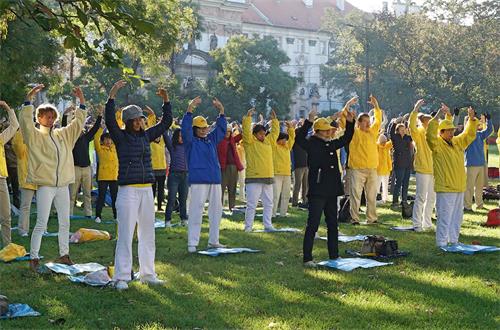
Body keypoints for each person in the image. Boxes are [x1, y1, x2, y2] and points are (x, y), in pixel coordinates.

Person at [105, 80, 172, 290]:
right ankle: (122, 277)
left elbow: (166, 123)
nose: (140, 123)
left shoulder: (147, 135)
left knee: (147, 233)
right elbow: (109, 121)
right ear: (128, 121)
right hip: (127, 191)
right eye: (136, 120)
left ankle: (148, 274)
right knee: (125, 233)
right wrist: (112, 95)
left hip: (146, 190)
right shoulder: (120, 137)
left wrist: (166, 101)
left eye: (141, 119)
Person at [20, 85, 86, 270]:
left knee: (65, 222)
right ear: (39, 118)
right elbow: (25, 123)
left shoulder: (63, 135)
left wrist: (81, 101)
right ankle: (33, 258)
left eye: (53, 116)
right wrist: (28, 100)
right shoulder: (34, 136)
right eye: (47, 116)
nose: (51, 119)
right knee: (41, 222)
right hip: (46, 186)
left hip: (63, 186)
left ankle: (64, 255)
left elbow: (77, 124)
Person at [296, 99, 355, 267]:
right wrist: (309, 120)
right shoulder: (311, 143)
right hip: (318, 190)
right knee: (313, 225)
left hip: (332, 190)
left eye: (330, 130)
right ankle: (307, 258)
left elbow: (347, 138)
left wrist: (350, 122)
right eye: (327, 130)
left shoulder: (330, 144)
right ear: (319, 131)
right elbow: (299, 137)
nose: (331, 132)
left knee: (333, 224)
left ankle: (334, 255)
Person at [426, 104, 478, 247]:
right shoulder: (436, 144)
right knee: (444, 217)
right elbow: (429, 135)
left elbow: (469, 134)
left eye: (452, 130)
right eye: (448, 131)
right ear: (441, 132)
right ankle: (441, 243)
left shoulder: (457, 142)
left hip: (459, 186)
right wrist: (436, 117)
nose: (451, 133)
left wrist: (472, 120)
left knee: (457, 217)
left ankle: (454, 240)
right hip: (445, 187)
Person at [181, 96, 227, 252]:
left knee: (216, 210)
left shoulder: (211, 139)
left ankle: (214, 240)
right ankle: (192, 243)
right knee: (196, 210)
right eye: (200, 128)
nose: (204, 130)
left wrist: (221, 112)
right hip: (198, 180)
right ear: (194, 129)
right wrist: (189, 110)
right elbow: (185, 129)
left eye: (205, 127)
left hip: (215, 179)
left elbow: (221, 130)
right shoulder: (190, 141)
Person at [242, 108, 280, 232]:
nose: (263, 136)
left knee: (269, 203)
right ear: (254, 134)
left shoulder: (268, 142)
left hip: (268, 177)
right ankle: (248, 227)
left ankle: (268, 225)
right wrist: (248, 117)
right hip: (254, 177)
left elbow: (275, 133)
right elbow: (246, 132)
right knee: (251, 204)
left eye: (264, 134)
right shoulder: (249, 142)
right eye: (260, 134)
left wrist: (275, 120)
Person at [348, 95, 382, 225]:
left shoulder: (372, 132)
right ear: (359, 123)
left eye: (369, 121)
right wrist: (349, 104)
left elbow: (378, 121)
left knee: (371, 196)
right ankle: (355, 218)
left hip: (372, 168)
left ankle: (372, 218)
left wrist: (376, 106)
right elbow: (346, 120)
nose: (369, 123)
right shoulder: (355, 133)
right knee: (355, 195)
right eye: (365, 121)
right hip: (357, 169)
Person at [64, 107, 102, 217]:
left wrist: (99, 116)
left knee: (87, 193)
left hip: (87, 168)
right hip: (75, 168)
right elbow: (65, 126)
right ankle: (69, 213)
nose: (80, 130)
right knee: (72, 193)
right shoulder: (71, 138)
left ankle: (88, 213)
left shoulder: (86, 137)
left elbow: (95, 129)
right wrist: (66, 115)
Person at [409, 99, 436, 231]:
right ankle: (417, 224)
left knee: (431, 198)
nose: (431, 122)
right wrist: (415, 109)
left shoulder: (434, 133)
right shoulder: (419, 132)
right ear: (424, 122)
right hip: (422, 169)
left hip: (434, 170)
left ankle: (427, 223)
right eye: (429, 121)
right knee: (420, 197)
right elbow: (411, 126)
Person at [464, 113, 493, 211]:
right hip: (471, 164)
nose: (477, 124)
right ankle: (467, 206)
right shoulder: (466, 135)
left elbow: (489, 130)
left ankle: (479, 204)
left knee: (479, 187)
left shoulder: (480, 134)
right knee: (469, 187)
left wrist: (489, 120)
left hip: (481, 164)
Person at [0, 100, 19, 247]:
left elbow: (15, 126)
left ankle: (7, 246)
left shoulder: (1, 139)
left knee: (6, 216)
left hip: (1, 179)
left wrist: (8, 108)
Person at [11, 129, 37, 236]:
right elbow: (18, 146)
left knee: (43, 206)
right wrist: (22, 130)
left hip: (40, 178)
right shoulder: (19, 139)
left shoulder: (36, 138)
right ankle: (23, 230)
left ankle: (42, 228)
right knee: (25, 206)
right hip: (27, 178)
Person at [93, 123, 118, 223]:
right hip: (103, 177)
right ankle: (98, 216)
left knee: (115, 197)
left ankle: (116, 216)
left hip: (114, 177)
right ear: (102, 141)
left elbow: (117, 135)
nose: (108, 141)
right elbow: (96, 139)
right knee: (101, 197)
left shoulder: (114, 148)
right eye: (106, 139)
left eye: (109, 139)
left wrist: (117, 120)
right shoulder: (100, 149)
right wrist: (101, 129)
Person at [145, 107, 168, 212]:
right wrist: (152, 116)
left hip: (162, 168)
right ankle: (150, 206)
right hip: (152, 168)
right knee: (152, 189)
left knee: (161, 190)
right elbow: (151, 128)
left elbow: (163, 127)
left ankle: (159, 206)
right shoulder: (150, 142)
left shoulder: (163, 141)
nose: (158, 137)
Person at [164, 128, 188, 226]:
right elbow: (165, 136)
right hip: (174, 175)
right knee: (171, 199)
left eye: (182, 136)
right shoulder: (172, 146)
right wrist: (163, 124)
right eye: (179, 136)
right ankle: (168, 221)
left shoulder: (187, 147)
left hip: (185, 175)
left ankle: (184, 219)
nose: (181, 138)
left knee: (183, 199)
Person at [217, 125, 244, 213]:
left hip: (234, 167)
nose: (227, 133)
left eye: (229, 131)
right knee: (221, 188)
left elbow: (243, 135)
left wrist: (242, 127)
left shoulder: (232, 139)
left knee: (232, 189)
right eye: (225, 131)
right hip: (223, 167)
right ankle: (218, 208)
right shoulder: (219, 140)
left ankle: (232, 207)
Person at [272, 122, 295, 217]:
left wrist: (290, 128)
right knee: (275, 195)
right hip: (277, 174)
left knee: (286, 195)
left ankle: (283, 213)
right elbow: (272, 138)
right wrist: (275, 124)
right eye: (284, 139)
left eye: (286, 140)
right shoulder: (274, 147)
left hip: (287, 174)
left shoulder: (287, 147)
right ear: (279, 139)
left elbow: (292, 138)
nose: (285, 141)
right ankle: (272, 213)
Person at [389, 118, 413, 208]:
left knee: (406, 183)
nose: (403, 131)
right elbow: (391, 131)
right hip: (399, 162)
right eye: (401, 130)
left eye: (404, 129)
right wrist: (395, 122)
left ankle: (404, 200)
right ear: (398, 130)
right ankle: (395, 201)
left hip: (407, 162)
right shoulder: (395, 137)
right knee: (398, 182)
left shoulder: (408, 137)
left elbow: (412, 140)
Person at [292, 121, 309, 207]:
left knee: (306, 185)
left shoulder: (305, 142)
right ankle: (294, 202)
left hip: (306, 165)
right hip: (298, 166)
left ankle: (304, 201)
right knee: (297, 185)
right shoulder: (294, 142)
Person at [376, 134, 392, 204]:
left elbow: (392, 142)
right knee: (377, 184)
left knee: (385, 184)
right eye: (383, 141)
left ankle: (385, 197)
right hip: (378, 169)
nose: (384, 143)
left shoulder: (386, 146)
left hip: (386, 168)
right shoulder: (377, 146)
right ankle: (377, 197)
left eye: (385, 141)